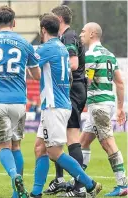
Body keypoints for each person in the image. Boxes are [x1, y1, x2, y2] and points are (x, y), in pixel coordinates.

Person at [30, 14, 102, 198]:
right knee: (40, 147)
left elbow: (34, 73)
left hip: (54, 105)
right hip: (58, 103)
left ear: (43, 29)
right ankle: (36, 193)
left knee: (54, 151)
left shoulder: (46, 48)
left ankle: (89, 184)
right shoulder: (62, 47)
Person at [0, 5, 40, 198]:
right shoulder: (24, 43)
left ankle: (14, 176)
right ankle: (17, 193)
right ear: (14, 23)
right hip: (18, 100)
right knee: (16, 146)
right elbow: (36, 75)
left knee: (3, 147)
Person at [43, 5, 87, 197]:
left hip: (72, 88)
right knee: (57, 138)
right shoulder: (63, 38)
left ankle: (81, 187)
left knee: (71, 137)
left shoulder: (68, 37)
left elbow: (74, 64)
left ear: (59, 19)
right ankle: (60, 180)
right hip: (70, 89)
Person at [79, 22, 127, 197]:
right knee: (83, 142)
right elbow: (120, 83)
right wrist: (120, 108)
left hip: (98, 104)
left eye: (83, 31)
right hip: (106, 103)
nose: (81, 34)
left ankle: (122, 184)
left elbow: (88, 82)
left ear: (92, 34)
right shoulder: (110, 55)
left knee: (108, 143)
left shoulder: (91, 55)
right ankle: (80, 182)